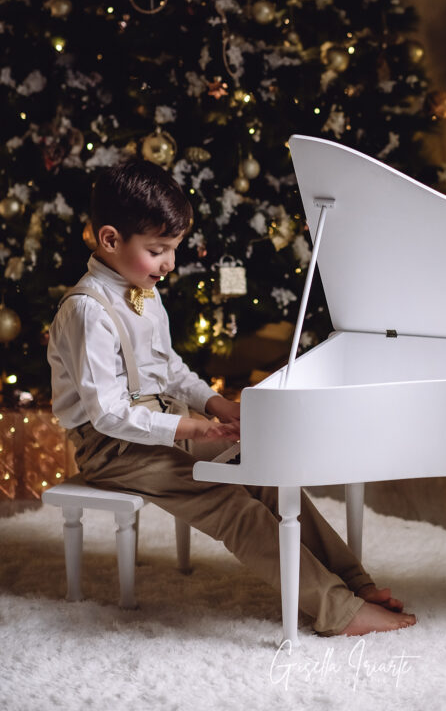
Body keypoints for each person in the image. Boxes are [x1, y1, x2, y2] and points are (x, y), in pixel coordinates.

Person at [48, 158, 417, 638]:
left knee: (262, 468)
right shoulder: (86, 311)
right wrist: (190, 428)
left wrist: (215, 406)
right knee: (231, 504)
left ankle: (352, 583)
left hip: (164, 425)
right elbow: (109, 414)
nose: (169, 264)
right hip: (111, 449)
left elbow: (170, 369)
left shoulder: (143, 290)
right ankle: (335, 610)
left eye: (172, 250)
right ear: (111, 240)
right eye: (158, 250)